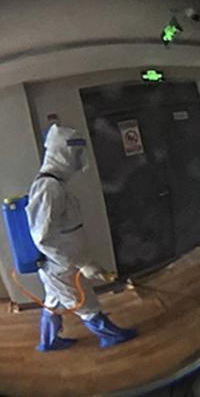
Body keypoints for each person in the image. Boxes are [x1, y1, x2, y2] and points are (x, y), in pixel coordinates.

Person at [27, 125, 137, 351]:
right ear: (61, 153)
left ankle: (48, 341)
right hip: (60, 265)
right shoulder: (49, 187)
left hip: (61, 263)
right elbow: (43, 238)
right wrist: (82, 263)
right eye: (74, 154)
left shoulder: (55, 184)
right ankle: (111, 336)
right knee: (85, 303)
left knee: (53, 302)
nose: (78, 159)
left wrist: (83, 260)